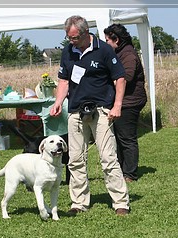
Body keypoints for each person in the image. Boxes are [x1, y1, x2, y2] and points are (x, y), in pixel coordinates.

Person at [50, 15, 130, 216]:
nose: (71, 41)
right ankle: (78, 203)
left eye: (75, 38)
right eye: (69, 37)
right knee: (75, 159)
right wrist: (58, 101)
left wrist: (117, 105)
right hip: (76, 110)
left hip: (102, 109)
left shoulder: (103, 50)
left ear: (86, 33)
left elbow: (119, 78)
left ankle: (121, 202)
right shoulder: (68, 51)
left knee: (108, 157)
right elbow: (63, 80)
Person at [104, 24, 147, 183]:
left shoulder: (128, 54)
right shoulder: (120, 52)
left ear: (116, 39)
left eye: (108, 39)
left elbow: (126, 78)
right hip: (125, 100)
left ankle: (130, 173)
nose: (106, 42)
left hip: (130, 101)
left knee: (127, 138)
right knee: (120, 137)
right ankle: (123, 169)